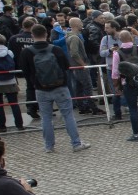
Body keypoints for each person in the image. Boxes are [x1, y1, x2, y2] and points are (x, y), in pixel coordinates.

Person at [19, 25, 90, 153]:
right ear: (46, 34)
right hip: (60, 87)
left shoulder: (27, 52)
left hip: (41, 89)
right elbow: (66, 67)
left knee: (46, 118)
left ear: (32, 36)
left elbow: (25, 72)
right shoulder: (55, 49)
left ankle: (49, 146)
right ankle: (76, 143)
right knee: (68, 115)